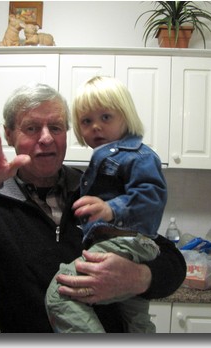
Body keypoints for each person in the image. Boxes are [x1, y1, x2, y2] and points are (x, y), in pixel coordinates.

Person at [0, 82, 186, 333]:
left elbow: (170, 260)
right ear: (9, 134)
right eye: (31, 128)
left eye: (56, 127)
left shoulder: (96, 189)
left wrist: (141, 277)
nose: (46, 138)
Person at [45, 76, 167, 333]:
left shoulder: (139, 155)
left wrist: (111, 209)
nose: (96, 127)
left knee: (59, 294)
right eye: (87, 121)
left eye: (106, 117)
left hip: (127, 241)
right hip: (126, 243)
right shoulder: (103, 160)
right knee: (135, 319)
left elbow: (152, 196)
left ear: (126, 117)